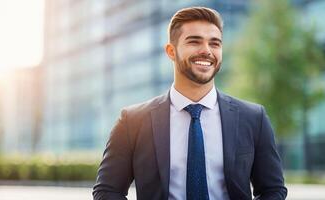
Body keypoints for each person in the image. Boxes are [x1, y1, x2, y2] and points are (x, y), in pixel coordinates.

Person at [93, 6, 287, 200]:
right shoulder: (132, 121)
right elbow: (107, 191)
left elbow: (273, 190)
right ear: (171, 51)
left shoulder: (253, 118)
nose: (206, 51)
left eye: (215, 43)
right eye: (194, 41)